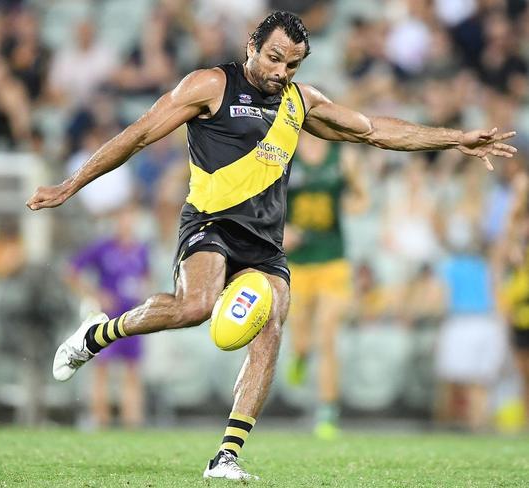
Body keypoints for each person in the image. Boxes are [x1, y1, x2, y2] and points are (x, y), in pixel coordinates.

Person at [27, 11, 517, 480]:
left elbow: (374, 130)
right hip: (210, 224)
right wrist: (69, 185)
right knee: (194, 307)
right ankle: (99, 333)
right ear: (252, 47)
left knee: (274, 320)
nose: (282, 72)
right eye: (275, 58)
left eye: (293, 64)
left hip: (265, 242)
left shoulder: (299, 102)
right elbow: (135, 137)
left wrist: (454, 139)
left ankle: (226, 456)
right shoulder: (209, 86)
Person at [283, 133, 367, 440]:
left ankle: (328, 411)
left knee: (327, 334)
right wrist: (283, 229)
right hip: (298, 262)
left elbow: (361, 198)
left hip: (333, 259)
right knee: (303, 338)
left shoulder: (342, 158)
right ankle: (300, 356)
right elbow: (265, 200)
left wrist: (351, 202)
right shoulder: (285, 153)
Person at [65, 204, 149, 429]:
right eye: (123, 218)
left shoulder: (140, 250)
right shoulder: (103, 248)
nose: (127, 223)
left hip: (134, 318)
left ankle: (132, 422)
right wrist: (95, 294)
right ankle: (99, 419)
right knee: (102, 368)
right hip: (108, 318)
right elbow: (71, 271)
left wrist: (144, 292)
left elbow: (147, 276)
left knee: (132, 369)